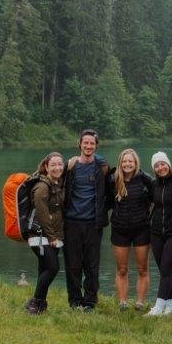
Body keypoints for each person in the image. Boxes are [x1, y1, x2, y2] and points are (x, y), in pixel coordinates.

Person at [62, 129, 110, 310]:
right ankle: (74, 300)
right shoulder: (71, 167)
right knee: (72, 264)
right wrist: (67, 164)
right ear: (79, 144)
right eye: (86, 143)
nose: (88, 146)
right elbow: (51, 174)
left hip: (93, 223)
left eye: (92, 143)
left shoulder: (101, 166)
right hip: (71, 222)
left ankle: (90, 301)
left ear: (96, 146)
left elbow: (110, 190)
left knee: (92, 264)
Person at [107, 148, 153, 309]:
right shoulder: (113, 180)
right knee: (121, 269)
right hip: (119, 229)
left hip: (141, 229)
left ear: (135, 163)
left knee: (142, 269)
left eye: (130, 161)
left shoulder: (145, 179)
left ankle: (140, 302)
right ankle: (123, 302)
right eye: (124, 161)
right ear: (120, 163)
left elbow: (157, 199)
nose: (127, 164)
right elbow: (105, 201)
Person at [146, 150, 172, 316]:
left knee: (165, 269)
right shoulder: (153, 185)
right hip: (156, 233)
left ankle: (158, 307)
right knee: (165, 271)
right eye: (157, 165)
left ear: (168, 165)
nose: (160, 167)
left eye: (163, 164)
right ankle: (170, 308)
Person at [23, 152, 65, 314]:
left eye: (60, 164)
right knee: (53, 267)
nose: (57, 168)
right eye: (53, 165)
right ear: (46, 167)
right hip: (39, 236)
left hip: (50, 235)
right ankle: (35, 302)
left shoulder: (56, 183)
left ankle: (40, 304)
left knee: (44, 268)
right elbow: (42, 214)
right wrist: (53, 237)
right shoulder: (42, 187)